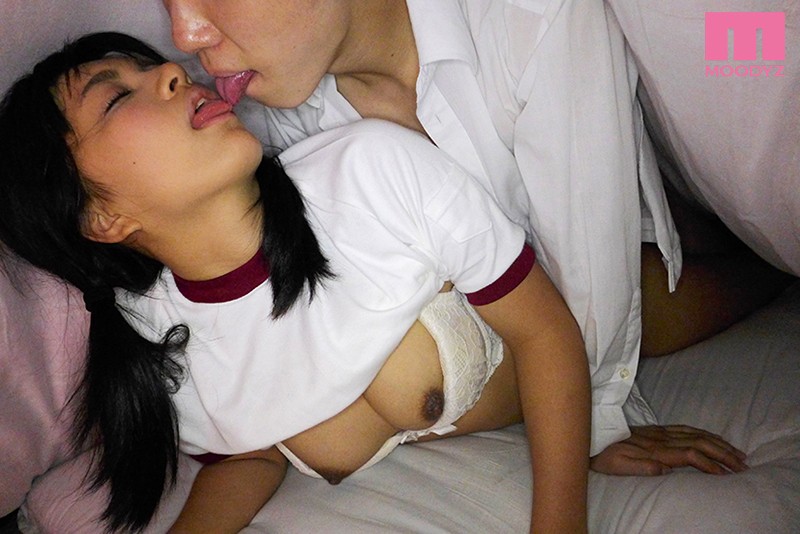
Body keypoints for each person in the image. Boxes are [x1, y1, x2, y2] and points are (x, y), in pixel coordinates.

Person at [0, 32, 596, 533]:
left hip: (585, 322)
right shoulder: (156, 340)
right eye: (115, 98)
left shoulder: (372, 170)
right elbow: (249, 458)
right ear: (101, 218)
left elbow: (545, 332)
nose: (171, 73)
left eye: (151, 65)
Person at [161, 0, 750, 474]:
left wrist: (597, 420)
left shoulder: (528, 18)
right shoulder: (278, 106)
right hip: (536, 268)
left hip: (687, 148)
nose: (183, 34)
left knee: (757, 65)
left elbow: (588, 264)